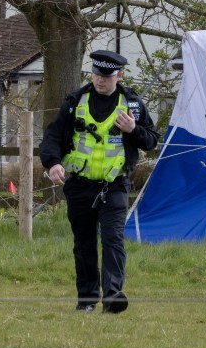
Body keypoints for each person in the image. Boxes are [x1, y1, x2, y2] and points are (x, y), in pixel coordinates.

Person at [40, 50, 159, 314]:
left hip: (115, 185)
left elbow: (152, 141)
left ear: (119, 75)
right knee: (83, 243)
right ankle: (87, 299)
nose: (99, 80)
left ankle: (113, 296)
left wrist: (133, 130)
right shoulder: (74, 102)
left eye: (106, 76)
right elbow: (52, 137)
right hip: (80, 185)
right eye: (95, 74)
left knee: (113, 239)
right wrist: (53, 163)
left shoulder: (133, 105)